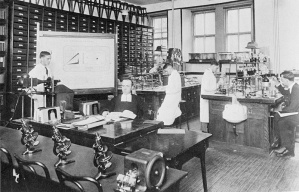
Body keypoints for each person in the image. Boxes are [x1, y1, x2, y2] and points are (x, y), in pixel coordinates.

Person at [271, 70, 299, 157]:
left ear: (287, 80)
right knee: (276, 116)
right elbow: (286, 93)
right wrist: (278, 84)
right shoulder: (293, 87)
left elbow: (293, 107)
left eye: (282, 80)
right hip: (295, 112)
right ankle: (281, 143)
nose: (281, 82)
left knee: (281, 120)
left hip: (296, 114)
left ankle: (286, 148)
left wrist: (281, 111)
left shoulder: (296, 89)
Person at [28, 51, 52, 120]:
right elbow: (31, 82)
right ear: (41, 58)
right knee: (39, 110)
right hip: (38, 93)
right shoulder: (36, 69)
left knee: (44, 109)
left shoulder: (48, 69)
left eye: (50, 59)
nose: (49, 61)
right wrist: (34, 93)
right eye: (48, 59)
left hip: (45, 93)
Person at [200, 62, 221, 132]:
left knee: (207, 115)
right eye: (216, 68)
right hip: (205, 97)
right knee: (205, 116)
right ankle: (204, 132)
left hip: (208, 97)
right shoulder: (207, 74)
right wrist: (217, 85)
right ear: (212, 66)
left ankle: (207, 130)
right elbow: (207, 87)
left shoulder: (210, 73)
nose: (217, 70)